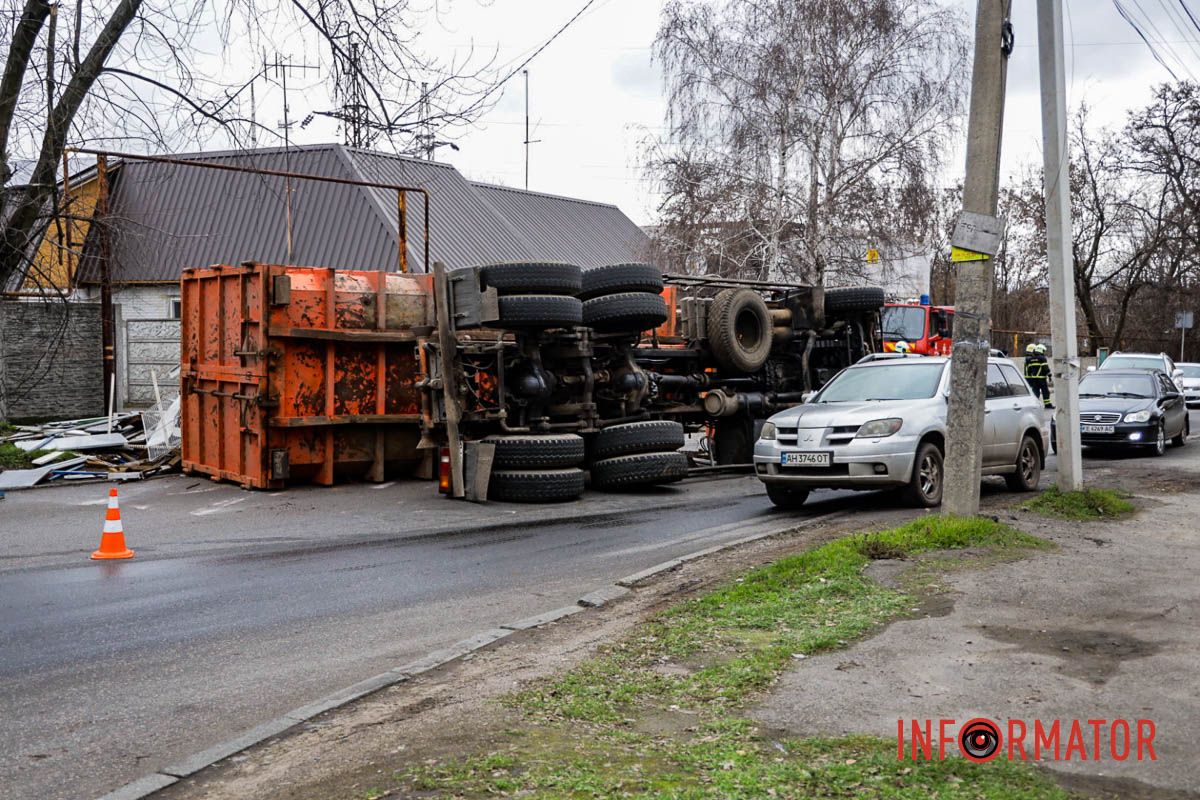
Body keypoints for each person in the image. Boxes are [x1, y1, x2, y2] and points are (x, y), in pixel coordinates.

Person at [1025, 343, 1052, 408]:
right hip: (1041, 378)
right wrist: (1049, 374)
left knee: (1036, 392)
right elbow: (1045, 367)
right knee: (1045, 391)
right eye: (1043, 350)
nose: (1043, 352)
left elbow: (1029, 369)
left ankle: (1035, 405)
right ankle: (1047, 404)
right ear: (1041, 350)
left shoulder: (1031, 359)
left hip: (1034, 378)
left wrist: (1030, 376)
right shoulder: (1042, 358)